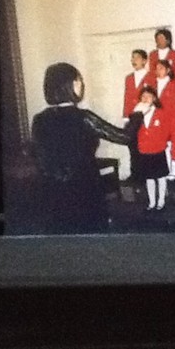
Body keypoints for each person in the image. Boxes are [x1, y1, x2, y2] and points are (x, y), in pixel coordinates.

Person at [31, 62, 144, 235]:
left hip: (52, 190)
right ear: (66, 85)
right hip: (85, 187)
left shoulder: (39, 119)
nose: (81, 84)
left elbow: (41, 156)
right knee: (89, 234)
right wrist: (138, 113)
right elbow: (124, 137)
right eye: (77, 80)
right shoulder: (83, 117)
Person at [135, 86, 171, 212]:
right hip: (145, 150)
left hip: (158, 149)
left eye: (148, 97)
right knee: (149, 178)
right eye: (143, 97)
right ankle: (152, 202)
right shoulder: (137, 114)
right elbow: (134, 130)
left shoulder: (160, 113)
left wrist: (161, 143)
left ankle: (161, 201)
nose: (145, 99)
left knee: (161, 177)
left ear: (154, 99)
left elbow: (166, 131)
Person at [122, 49, 149, 183]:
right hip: (132, 116)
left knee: (144, 145)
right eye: (132, 58)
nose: (134, 60)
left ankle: (146, 174)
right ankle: (135, 174)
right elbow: (127, 97)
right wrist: (126, 117)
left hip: (145, 115)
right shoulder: (129, 78)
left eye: (137, 58)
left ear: (145, 60)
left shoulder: (151, 77)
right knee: (132, 146)